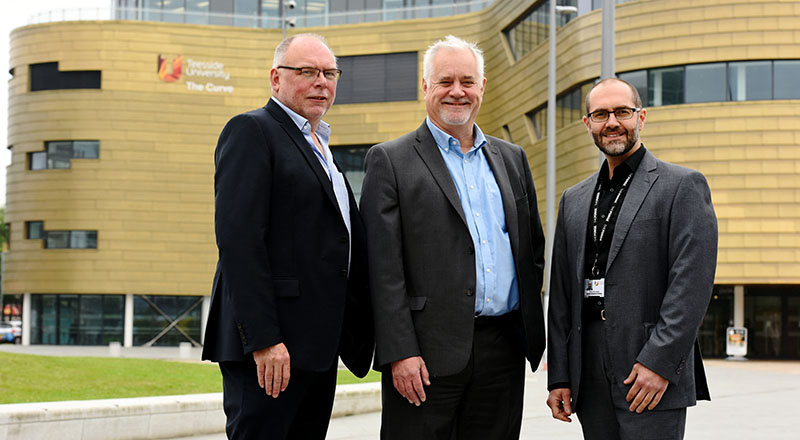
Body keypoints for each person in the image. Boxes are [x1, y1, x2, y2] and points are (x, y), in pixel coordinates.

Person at [360, 35, 546, 440]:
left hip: (503, 351)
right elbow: (382, 268)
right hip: (424, 357)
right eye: (445, 81)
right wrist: (400, 351)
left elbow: (532, 249)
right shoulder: (390, 160)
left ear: (482, 87)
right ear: (425, 87)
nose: (457, 91)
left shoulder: (512, 158)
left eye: (468, 81)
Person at [201, 33, 374, 440]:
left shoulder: (322, 146)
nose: (321, 82)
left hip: (315, 348)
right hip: (272, 349)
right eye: (307, 72)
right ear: (276, 78)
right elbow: (239, 241)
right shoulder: (252, 130)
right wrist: (264, 339)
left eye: (330, 73)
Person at [546, 78, 718, 440]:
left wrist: (659, 362)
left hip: (648, 364)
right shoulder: (573, 200)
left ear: (641, 117)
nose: (612, 122)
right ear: (587, 123)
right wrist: (560, 375)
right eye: (600, 114)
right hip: (588, 368)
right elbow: (561, 294)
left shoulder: (682, 186)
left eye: (622, 112)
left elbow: (690, 286)